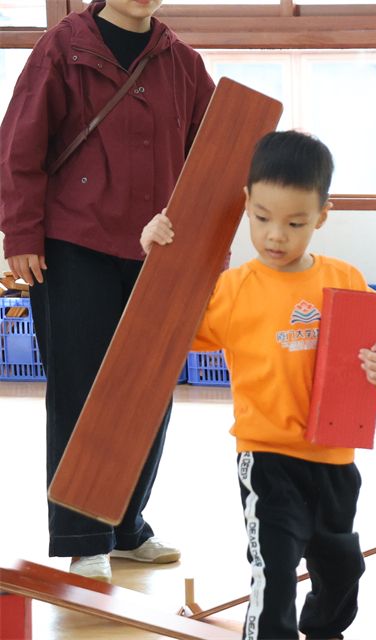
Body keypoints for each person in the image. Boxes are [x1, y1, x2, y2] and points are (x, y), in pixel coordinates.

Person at [141, 131, 376, 640]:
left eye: (295, 223)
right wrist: (155, 256)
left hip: (334, 459)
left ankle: (324, 631)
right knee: (273, 571)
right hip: (266, 459)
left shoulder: (343, 278)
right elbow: (167, 327)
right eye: (262, 218)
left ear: (322, 216)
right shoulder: (232, 290)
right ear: (246, 204)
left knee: (341, 567)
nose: (276, 236)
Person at [0, 0, 215, 581]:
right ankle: (83, 537)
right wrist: (21, 234)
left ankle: (125, 526)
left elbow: (212, 158)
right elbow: (19, 146)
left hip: (159, 251)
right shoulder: (61, 48)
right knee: (81, 391)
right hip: (74, 244)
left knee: (150, 391)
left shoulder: (184, 63)